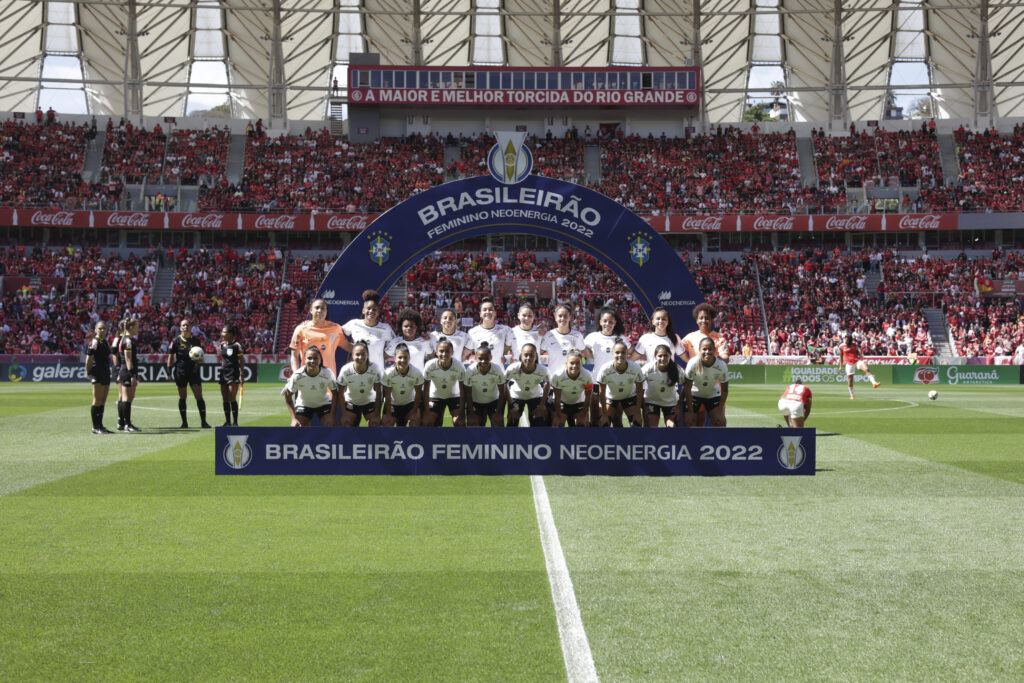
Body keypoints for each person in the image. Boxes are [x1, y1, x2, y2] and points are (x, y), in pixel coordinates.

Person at [584, 306, 630, 426]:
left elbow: (630, 353)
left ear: (615, 323)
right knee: (595, 418)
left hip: (615, 383)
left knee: (617, 419)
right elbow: (582, 351)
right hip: (596, 382)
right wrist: (595, 357)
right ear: (600, 322)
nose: (607, 324)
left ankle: (616, 444)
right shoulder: (592, 337)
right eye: (605, 321)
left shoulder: (621, 339)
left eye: (611, 321)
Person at [166, 318, 211, 429]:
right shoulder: (176, 341)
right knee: (182, 397)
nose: (185, 327)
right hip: (180, 372)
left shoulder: (196, 341)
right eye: (183, 325)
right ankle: (184, 423)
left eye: (187, 325)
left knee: (199, 396)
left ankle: (204, 422)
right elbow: (170, 357)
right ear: (180, 328)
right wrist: (169, 372)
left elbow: (200, 357)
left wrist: (199, 360)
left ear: (191, 328)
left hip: (193, 372)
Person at [342, 289, 395, 373]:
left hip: (377, 374)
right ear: (363, 310)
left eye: (374, 309)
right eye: (368, 308)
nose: (371, 311)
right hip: (358, 373)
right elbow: (339, 335)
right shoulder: (354, 324)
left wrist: (384, 355)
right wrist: (350, 347)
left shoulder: (385, 328)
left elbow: (395, 344)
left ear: (378, 312)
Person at [283, 347, 339, 426]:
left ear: (320, 360)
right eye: (309, 358)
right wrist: (293, 419)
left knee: (331, 424)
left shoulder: (327, 373)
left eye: (315, 358)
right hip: (304, 404)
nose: (312, 361)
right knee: (297, 426)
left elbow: (335, 394)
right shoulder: (298, 375)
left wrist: (332, 416)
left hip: (324, 403)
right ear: (304, 360)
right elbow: (288, 395)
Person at [595, 340, 645, 427]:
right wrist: (604, 414)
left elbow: (639, 391)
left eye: (623, 352)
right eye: (617, 352)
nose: (620, 355)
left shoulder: (635, 368)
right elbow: (602, 393)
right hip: (610, 397)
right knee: (603, 424)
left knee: (636, 425)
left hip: (629, 396)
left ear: (627, 354)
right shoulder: (605, 369)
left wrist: (637, 412)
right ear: (612, 354)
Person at [291, 298, 345, 376]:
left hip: (328, 379)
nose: (320, 310)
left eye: (323, 308)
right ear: (311, 310)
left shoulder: (336, 328)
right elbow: (294, 355)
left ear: (326, 311)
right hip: (307, 378)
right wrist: (296, 374)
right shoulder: (301, 329)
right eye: (317, 308)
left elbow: (348, 346)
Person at [682, 337, 729, 427]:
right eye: (704, 349)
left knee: (720, 422)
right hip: (694, 394)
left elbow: (725, 390)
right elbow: (687, 388)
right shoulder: (692, 363)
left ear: (715, 350)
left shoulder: (721, 365)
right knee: (689, 422)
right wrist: (691, 411)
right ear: (699, 350)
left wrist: (720, 410)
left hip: (713, 395)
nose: (707, 352)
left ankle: (718, 441)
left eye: (710, 349)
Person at [337, 341, 383, 426]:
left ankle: (372, 439)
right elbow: (340, 392)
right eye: (357, 354)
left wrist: (377, 414)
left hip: (369, 401)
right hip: (351, 402)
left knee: (375, 423)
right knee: (345, 423)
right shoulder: (346, 370)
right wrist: (344, 414)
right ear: (352, 355)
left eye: (363, 354)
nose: (360, 357)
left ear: (367, 355)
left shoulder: (375, 368)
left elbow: (379, 393)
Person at [460, 343, 507, 427]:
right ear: (475, 358)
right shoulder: (470, 370)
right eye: (480, 358)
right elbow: (468, 394)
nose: (483, 361)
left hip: (493, 402)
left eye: (486, 358)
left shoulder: (497, 369)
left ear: (491, 358)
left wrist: (499, 412)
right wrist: (471, 413)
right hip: (475, 403)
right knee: (472, 423)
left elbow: (502, 392)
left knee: (498, 423)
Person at [504, 343, 551, 426]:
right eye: (525, 355)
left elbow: (548, 383)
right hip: (517, 396)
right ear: (521, 356)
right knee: (512, 422)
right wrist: (511, 406)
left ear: (536, 356)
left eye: (531, 355)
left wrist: (542, 405)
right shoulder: (512, 368)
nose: (528, 358)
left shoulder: (543, 370)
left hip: (535, 396)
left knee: (539, 421)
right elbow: (505, 383)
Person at [423, 338, 466, 426]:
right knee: (428, 422)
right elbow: (426, 389)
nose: (444, 354)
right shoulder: (430, 365)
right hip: (435, 396)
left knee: (460, 422)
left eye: (447, 351)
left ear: (452, 352)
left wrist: (461, 412)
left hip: (453, 396)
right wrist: (426, 411)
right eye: (441, 351)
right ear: (436, 352)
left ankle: (461, 440)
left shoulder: (459, 366)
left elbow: (463, 390)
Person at [381, 344, 425, 426]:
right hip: (393, 405)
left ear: (409, 358)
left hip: (410, 405)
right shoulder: (388, 373)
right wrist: (388, 413)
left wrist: (415, 410)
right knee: (387, 423)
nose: (403, 360)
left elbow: (418, 393)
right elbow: (387, 395)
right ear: (394, 358)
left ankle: (413, 439)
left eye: (405, 357)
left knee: (415, 421)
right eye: (400, 357)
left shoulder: (416, 373)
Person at [540, 303, 586, 377]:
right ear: (555, 317)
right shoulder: (548, 335)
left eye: (565, 316)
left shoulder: (577, 336)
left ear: (570, 317)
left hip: (571, 380)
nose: (562, 319)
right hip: (553, 380)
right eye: (560, 316)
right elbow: (537, 353)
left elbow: (584, 354)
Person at [642, 344, 682, 427]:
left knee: (672, 428)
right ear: (655, 357)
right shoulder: (647, 368)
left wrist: (679, 405)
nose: (663, 358)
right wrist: (643, 406)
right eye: (660, 356)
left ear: (670, 356)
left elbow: (687, 385)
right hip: (651, 401)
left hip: (671, 402)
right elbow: (638, 387)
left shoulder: (677, 369)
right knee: (651, 429)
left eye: (665, 356)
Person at [550, 350, 593, 427]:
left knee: (583, 424)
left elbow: (588, 397)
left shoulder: (587, 376)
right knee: (557, 424)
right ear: (566, 364)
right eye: (571, 363)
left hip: (579, 403)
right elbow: (557, 398)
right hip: (562, 403)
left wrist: (584, 414)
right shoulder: (558, 376)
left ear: (581, 364)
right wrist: (559, 416)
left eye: (577, 363)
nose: (574, 366)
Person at [85, 320, 113, 434]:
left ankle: (100, 425)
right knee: (97, 400)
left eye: (104, 328)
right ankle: (95, 427)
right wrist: (88, 371)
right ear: (95, 330)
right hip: (97, 372)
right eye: (100, 328)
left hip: (105, 372)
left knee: (103, 400)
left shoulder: (104, 342)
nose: (102, 330)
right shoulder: (95, 342)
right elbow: (89, 358)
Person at [384, 308, 434, 372]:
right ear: (401, 327)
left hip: (418, 379)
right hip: (400, 379)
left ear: (417, 327)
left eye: (412, 326)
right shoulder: (395, 342)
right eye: (406, 326)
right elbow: (384, 357)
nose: (409, 328)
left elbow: (431, 355)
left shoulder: (424, 341)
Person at [468, 297, 513, 364]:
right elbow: (467, 353)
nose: (487, 312)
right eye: (485, 310)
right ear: (480, 314)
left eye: (490, 309)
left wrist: (503, 355)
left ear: (495, 313)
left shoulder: (505, 330)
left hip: (498, 372)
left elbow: (511, 346)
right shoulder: (472, 332)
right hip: (480, 372)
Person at [116, 317, 142, 432]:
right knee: (127, 398)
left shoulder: (125, 339)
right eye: (136, 326)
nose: (138, 329)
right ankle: (128, 424)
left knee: (126, 398)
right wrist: (132, 375)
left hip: (125, 370)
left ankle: (122, 423)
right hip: (126, 371)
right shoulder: (128, 341)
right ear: (131, 327)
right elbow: (128, 359)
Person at [838, 332, 880, 399]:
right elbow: (841, 356)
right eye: (845, 338)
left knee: (866, 369)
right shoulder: (841, 346)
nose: (845, 340)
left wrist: (860, 354)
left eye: (846, 339)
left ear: (849, 340)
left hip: (857, 360)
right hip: (849, 364)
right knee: (850, 379)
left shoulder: (854, 345)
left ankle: (874, 383)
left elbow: (858, 351)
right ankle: (852, 394)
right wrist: (840, 366)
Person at [218, 323, 244, 426]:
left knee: (232, 398)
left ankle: (235, 422)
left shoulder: (237, 345)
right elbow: (223, 359)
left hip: (233, 373)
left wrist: (241, 374)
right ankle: (227, 422)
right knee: (225, 399)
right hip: (223, 373)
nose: (222, 333)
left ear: (230, 334)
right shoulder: (222, 345)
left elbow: (241, 360)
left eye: (224, 332)